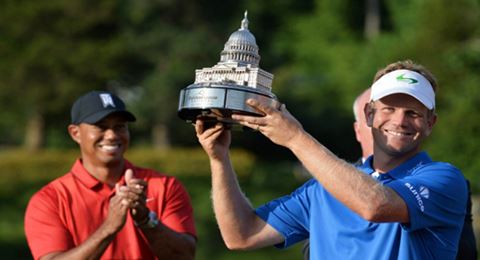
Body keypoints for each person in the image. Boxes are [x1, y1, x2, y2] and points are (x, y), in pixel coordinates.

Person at [195, 60, 468, 259]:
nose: (399, 120)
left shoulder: (444, 179)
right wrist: (219, 160)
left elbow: (375, 205)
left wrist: (294, 138)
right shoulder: (325, 187)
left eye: (413, 113)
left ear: (431, 123)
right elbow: (242, 235)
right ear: (369, 115)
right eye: (389, 108)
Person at [25, 91, 197, 260]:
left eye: (119, 126)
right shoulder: (50, 200)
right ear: (75, 133)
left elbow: (185, 255)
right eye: (101, 126)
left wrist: (146, 220)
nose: (112, 135)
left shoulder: (164, 186)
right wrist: (109, 227)